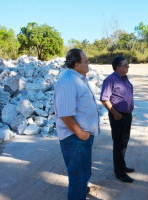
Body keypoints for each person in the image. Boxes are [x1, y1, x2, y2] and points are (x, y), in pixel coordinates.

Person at [54, 49, 99, 200]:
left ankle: (81, 191)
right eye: (86, 61)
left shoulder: (78, 78)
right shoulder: (69, 81)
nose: (89, 64)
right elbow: (65, 114)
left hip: (80, 137)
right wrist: (81, 134)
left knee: (83, 173)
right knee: (78, 175)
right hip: (75, 138)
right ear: (77, 64)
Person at [100, 56, 135, 183]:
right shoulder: (110, 80)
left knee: (124, 142)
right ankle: (119, 172)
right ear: (118, 67)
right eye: (125, 65)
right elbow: (104, 98)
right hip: (118, 116)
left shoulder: (125, 78)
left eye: (127, 65)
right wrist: (114, 113)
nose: (128, 67)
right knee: (119, 144)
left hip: (127, 115)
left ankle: (122, 165)